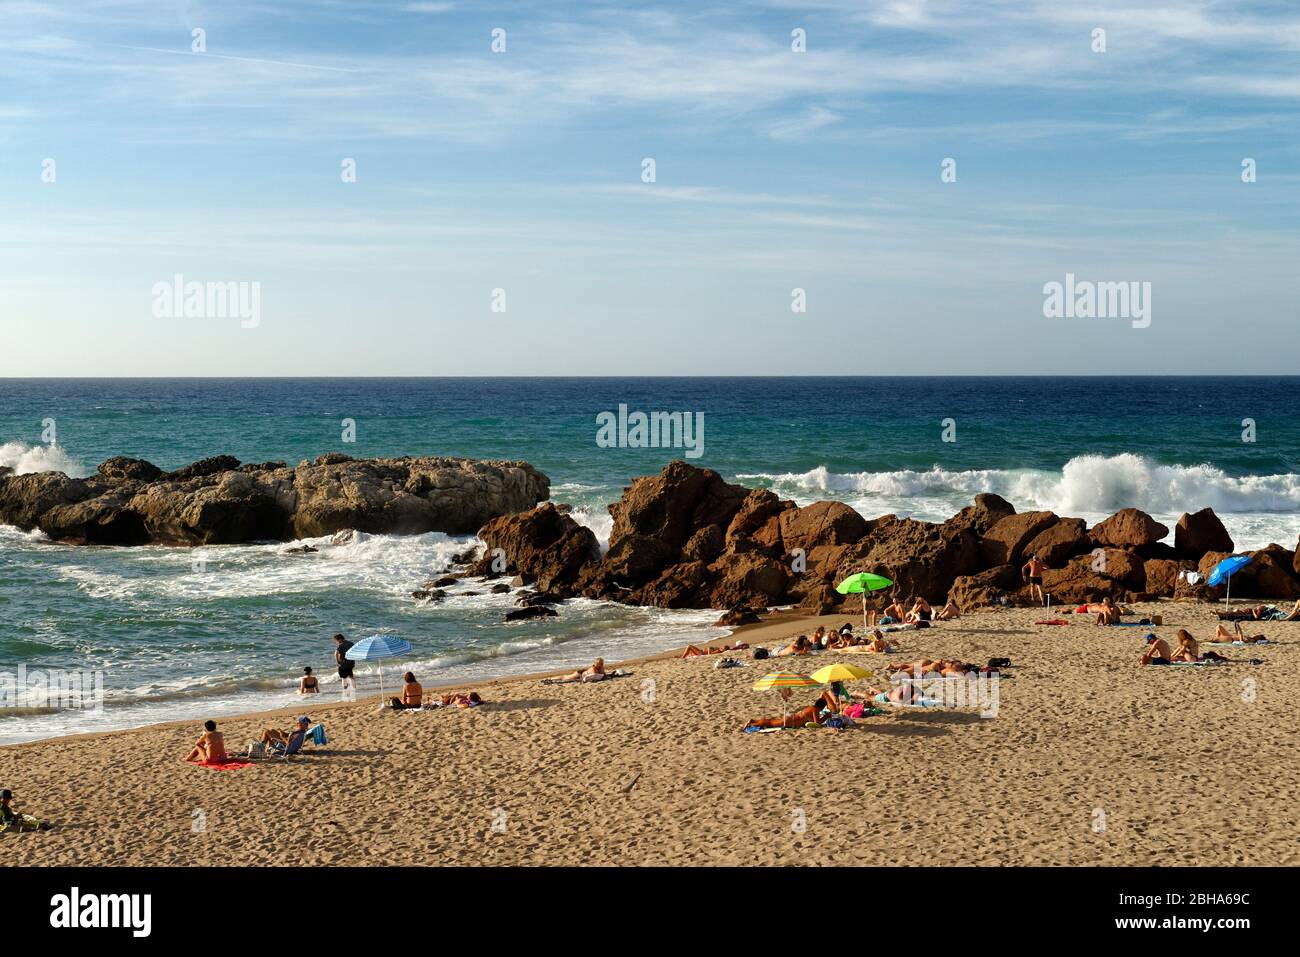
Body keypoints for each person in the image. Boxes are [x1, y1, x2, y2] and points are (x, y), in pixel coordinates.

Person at [743, 688, 840, 730]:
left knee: (771, 722)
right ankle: (751, 724)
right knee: (770, 724)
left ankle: (753, 721)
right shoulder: (814, 710)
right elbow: (817, 722)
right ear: (822, 707)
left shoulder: (812, 708)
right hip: (791, 720)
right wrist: (826, 716)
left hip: (791, 718)